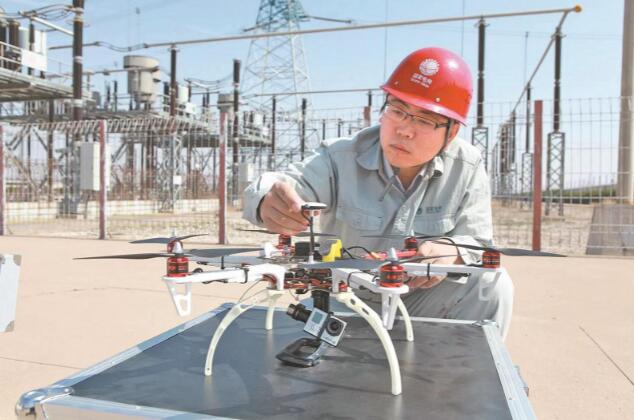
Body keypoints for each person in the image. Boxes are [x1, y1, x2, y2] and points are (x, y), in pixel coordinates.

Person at [242, 47, 513, 339]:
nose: (404, 130)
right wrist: (267, 199)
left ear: (452, 133)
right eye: (397, 111)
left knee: (493, 285)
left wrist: (453, 252)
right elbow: (286, 185)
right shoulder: (340, 158)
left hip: (421, 300)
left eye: (424, 120)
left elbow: (478, 243)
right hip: (346, 299)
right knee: (284, 344)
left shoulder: (466, 166)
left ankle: (456, 367)